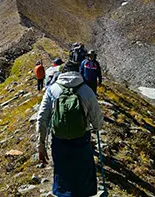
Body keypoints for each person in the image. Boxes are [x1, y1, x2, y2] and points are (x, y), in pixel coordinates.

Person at [36, 60, 104, 197]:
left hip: (59, 140)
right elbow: (97, 120)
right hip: (81, 139)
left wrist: (41, 145)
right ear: (78, 72)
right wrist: (96, 127)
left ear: (62, 73)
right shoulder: (87, 90)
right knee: (82, 175)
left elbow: (42, 118)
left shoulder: (52, 90)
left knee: (62, 173)